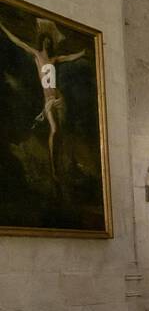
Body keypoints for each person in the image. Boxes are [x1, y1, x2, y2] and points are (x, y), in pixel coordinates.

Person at [0, 18, 85, 186]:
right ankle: (54, 169)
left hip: (59, 98)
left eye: (49, 41)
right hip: (49, 100)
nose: (47, 43)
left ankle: (66, 163)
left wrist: (82, 53)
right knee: (54, 130)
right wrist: (3, 27)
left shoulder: (54, 59)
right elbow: (18, 42)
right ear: (41, 42)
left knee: (62, 132)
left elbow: (69, 57)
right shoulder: (37, 55)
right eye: (45, 40)